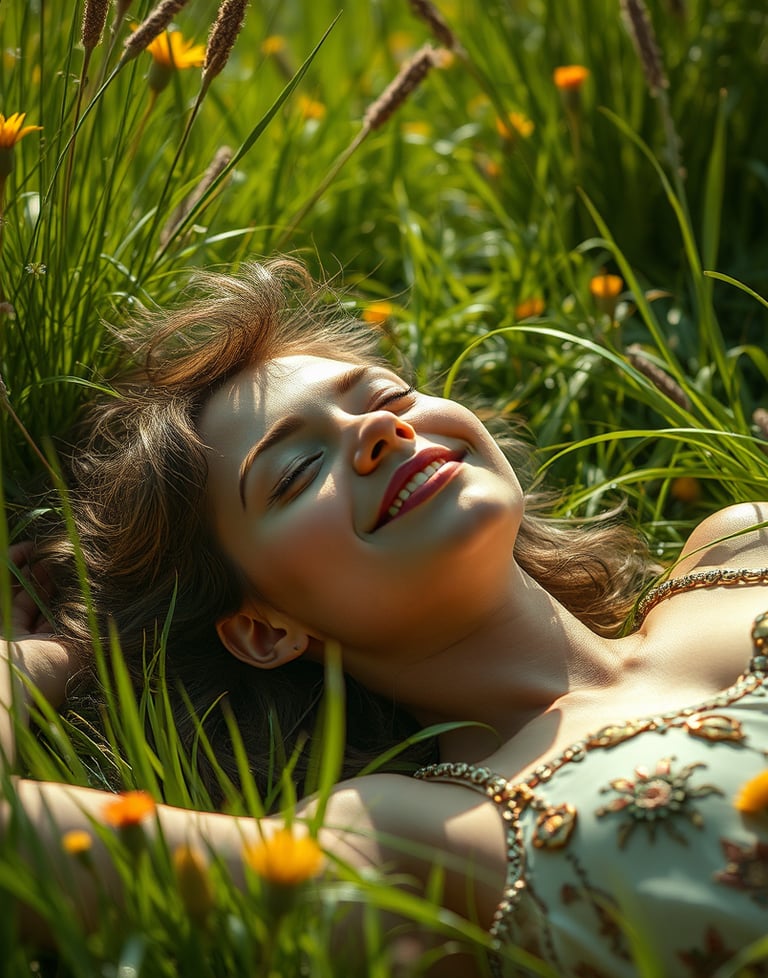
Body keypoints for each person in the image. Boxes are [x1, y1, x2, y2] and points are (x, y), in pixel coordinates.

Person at [3, 258, 768, 977]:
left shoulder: (740, 544)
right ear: (264, 629)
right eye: (298, 471)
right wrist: (47, 658)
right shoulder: (408, 843)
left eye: (388, 399)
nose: (381, 432)